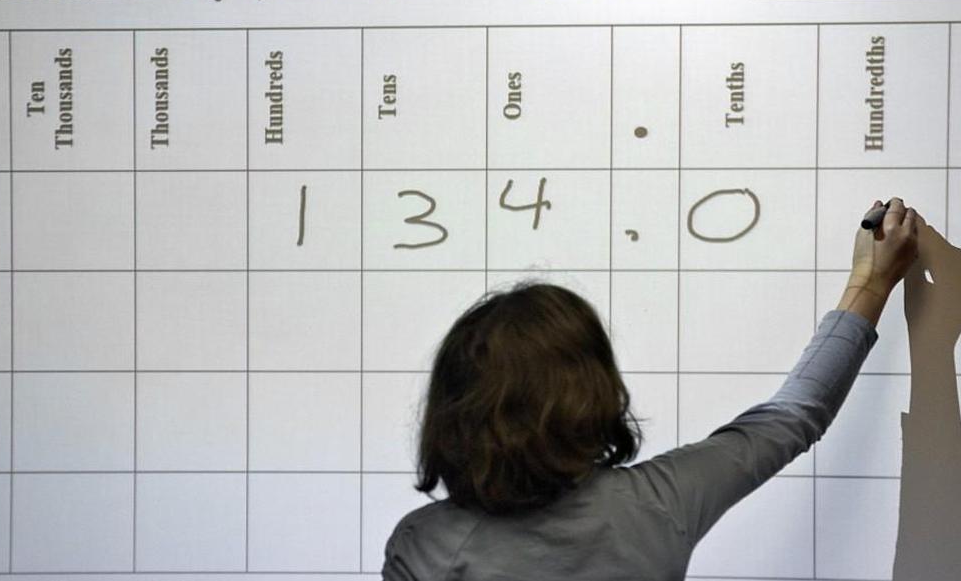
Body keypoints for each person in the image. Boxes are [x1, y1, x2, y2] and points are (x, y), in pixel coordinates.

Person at [383, 198, 920, 581]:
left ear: (452, 410)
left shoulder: (424, 548)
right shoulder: (657, 505)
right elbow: (796, 414)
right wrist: (871, 283)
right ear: (593, 394)